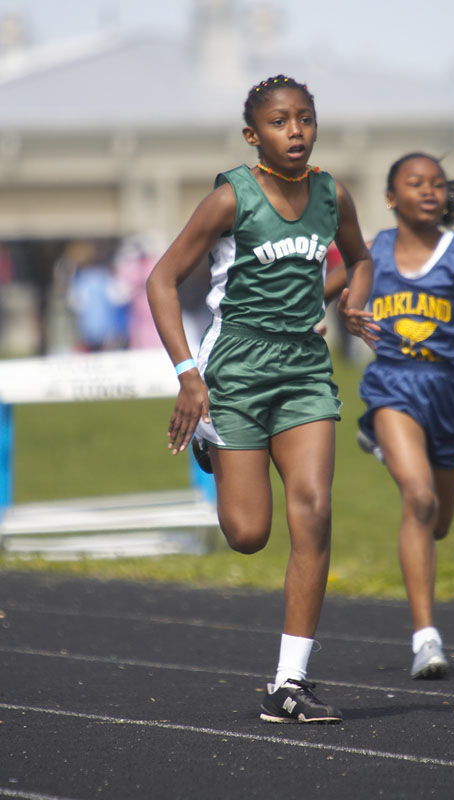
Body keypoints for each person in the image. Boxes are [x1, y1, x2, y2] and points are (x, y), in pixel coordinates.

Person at [146, 75, 375, 722]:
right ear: (253, 135)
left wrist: (349, 300)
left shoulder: (332, 193)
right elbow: (162, 280)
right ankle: (213, 444)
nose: (295, 131)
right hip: (235, 369)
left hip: (303, 368)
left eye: (305, 118)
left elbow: (359, 259)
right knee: (248, 534)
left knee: (315, 508)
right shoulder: (230, 198)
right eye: (279, 121)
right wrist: (189, 376)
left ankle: (289, 683)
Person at [337, 152, 454, 679]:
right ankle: (426, 639)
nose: (428, 190)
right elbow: (327, 293)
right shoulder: (371, 252)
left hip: (450, 391)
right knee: (418, 499)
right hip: (393, 384)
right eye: (415, 182)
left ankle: (386, 447)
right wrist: (334, 315)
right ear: (390, 197)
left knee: (437, 522)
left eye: (437, 184)